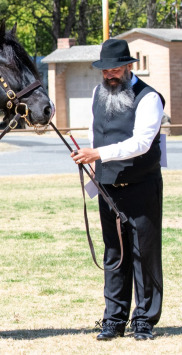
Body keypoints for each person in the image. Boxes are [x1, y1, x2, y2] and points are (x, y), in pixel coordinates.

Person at [71, 38, 164, 341]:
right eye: (104, 70)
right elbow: (94, 130)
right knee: (114, 254)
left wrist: (98, 155)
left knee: (143, 253)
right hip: (107, 186)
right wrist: (90, 157)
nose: (109, 75)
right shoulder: (99, 92)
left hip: (142, 186)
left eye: (114, 70)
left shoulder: (149, 98)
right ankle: (113, 319)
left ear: (127, 66)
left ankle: (144, 321)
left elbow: (141, 143)